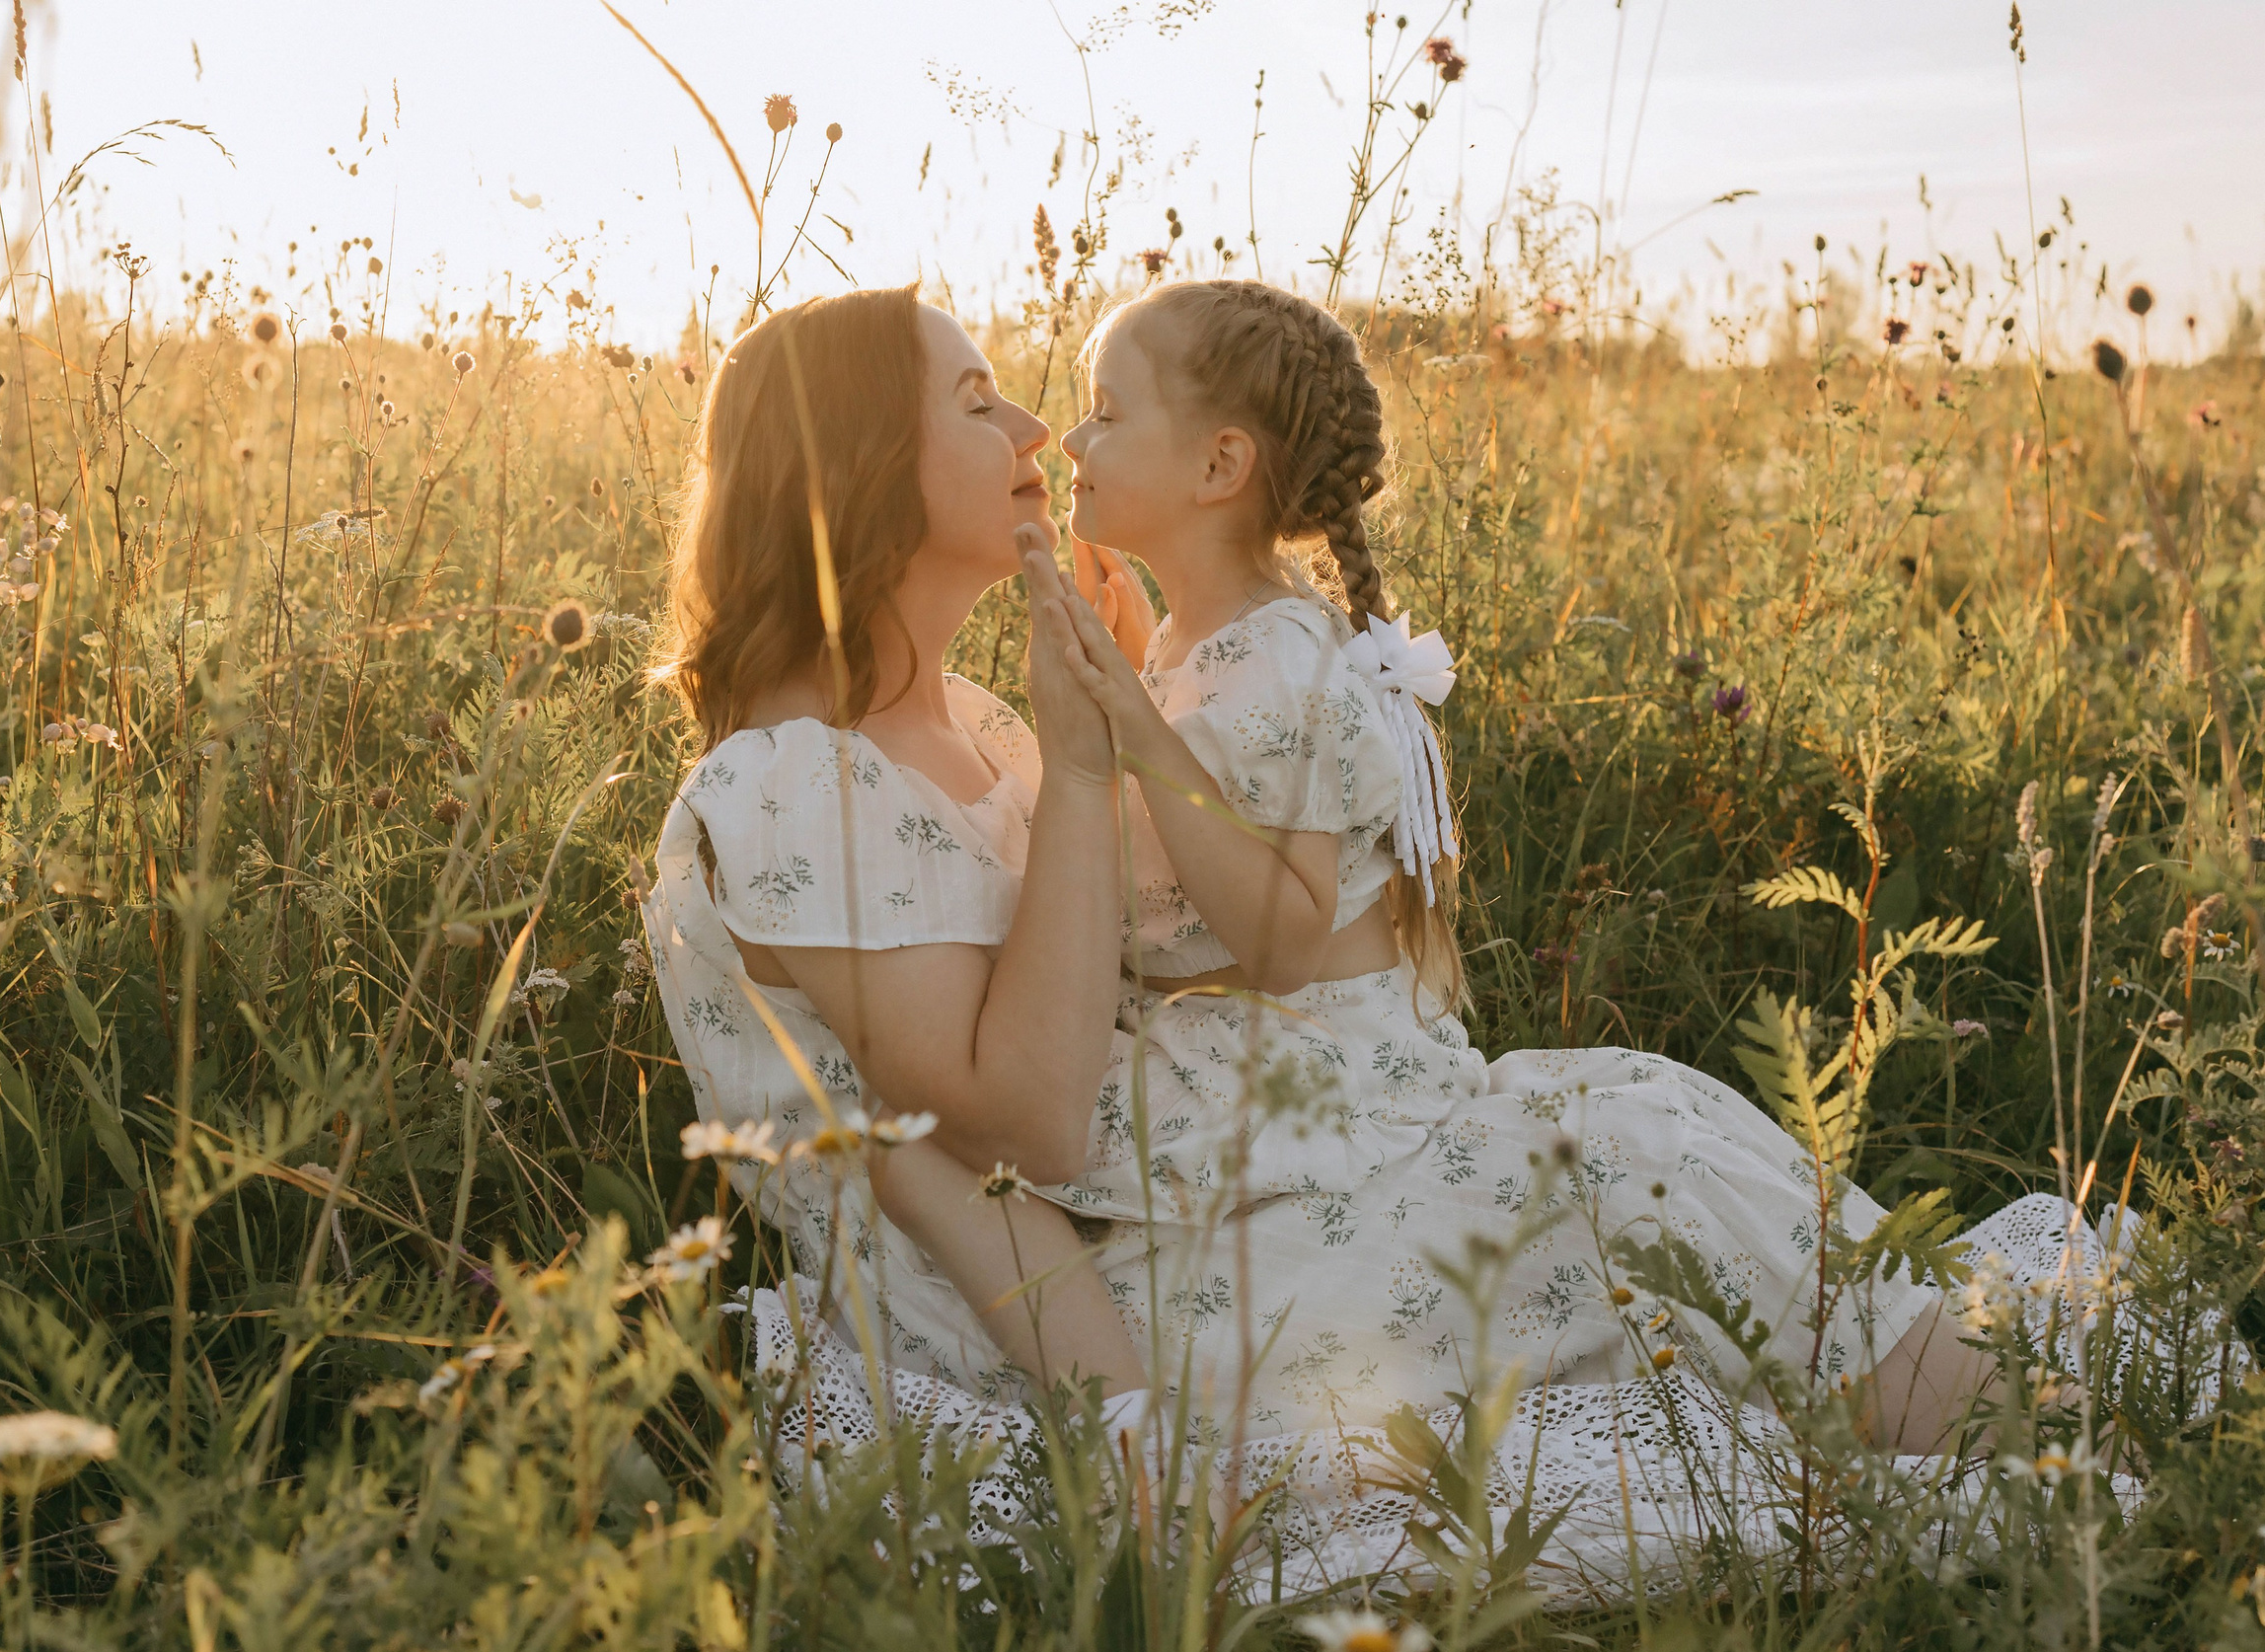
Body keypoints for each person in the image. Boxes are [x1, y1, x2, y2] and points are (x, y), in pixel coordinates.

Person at [643, 283, 2050, 1474]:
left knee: (1636, 1117)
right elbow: (1029, 1127)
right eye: (975, 402)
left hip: (1184, 1198)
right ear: (854, 465)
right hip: (1087, 1306)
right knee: (1630, 1170)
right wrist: (1087, 763)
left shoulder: (975, 723)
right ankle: (2033, 1452)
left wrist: (1110, 735)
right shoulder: (791, 785)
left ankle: (2008, 1421)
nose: (1031, 430)